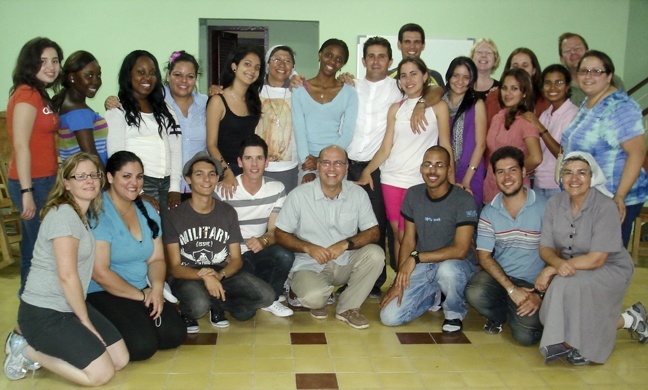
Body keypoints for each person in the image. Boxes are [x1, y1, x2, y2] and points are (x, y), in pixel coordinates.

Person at [4, 152, 129, 385]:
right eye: (80, 176)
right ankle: (25, 349)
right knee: (101, 375)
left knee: (120, 359)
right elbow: (67, 275)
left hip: (68, 306)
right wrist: (86, 322)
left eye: (93, 174)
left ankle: (56, 345)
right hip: (44, 312)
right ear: (67, 183)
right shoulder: (62, 214)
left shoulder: (81, 215)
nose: (89, 180)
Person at [535, 152, 647, 365]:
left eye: (581, 173)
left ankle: (580, 345)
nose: (574, 179)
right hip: (572, 266)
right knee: (567, 284)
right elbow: (545, 248)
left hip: (610, 267)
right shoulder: (554, 204)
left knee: (565, 284)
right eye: (568, 173)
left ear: (591, 176)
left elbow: (597, 259)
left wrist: (552, 269)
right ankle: (630, 319)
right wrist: (557, 264)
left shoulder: (605, 206)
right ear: (561, 177)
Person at [86, 151, 186, 361]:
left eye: (139, 176)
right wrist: (142, 297)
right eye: (126, 176)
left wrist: (157, 289)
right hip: (103, 291)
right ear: (110, 177)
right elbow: (100, 273)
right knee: (142, 347)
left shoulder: (147, 209)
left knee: (174, 335)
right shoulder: (99, 211)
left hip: (141, 287)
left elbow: (157, 259)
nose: (134, 183)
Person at [164, 152, 275, 332]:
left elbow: (237, 260)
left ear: (217, 178)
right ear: (188, 179)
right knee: (198, 306)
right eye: (199, 174)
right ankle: (195, 307)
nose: (206, 179)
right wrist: (205, 276)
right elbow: (175, 267)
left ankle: (216, 304)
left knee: (267, 296)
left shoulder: (227, 212)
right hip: (188, 274)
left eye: (212, 174)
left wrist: (219, 275)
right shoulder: (174, 216)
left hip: (220, 271)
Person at [275, 145, 384, 329]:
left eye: (338, 163)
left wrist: (345, 244)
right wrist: (308, 247)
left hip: (345, 260)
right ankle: (316, 296)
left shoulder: (357, 194)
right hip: (310, 263)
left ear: (347, 167)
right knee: (313, 298)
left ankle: (348, 308)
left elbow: (373, 232)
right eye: (326, 163)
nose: (332, 169)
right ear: (317, 167)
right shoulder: (299, 195)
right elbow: (280, 233)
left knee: (376, 254)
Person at [357, 56, 452, 264]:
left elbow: (445, 145)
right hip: (390, 178)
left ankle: (409, 283)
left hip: (419, 181)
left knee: (410, 235)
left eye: (414, 74)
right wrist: (367, 171)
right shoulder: (395, 108)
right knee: (397, 234)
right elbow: (385, 148)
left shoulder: (438, 107)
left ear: (425, 76)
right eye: (403, 75)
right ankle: (400, 283)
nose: (408, 80)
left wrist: (449, 178)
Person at [380, 146, 477, 333]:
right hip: (425, 266)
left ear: (449, 170)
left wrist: (416, 258)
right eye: (428, 165)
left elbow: (460, 250)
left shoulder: (463, 199)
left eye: (439, 165)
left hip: (456, 264)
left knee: (447, 270)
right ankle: (434, 295)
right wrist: (399, 281)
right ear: (421, 168)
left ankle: (454, 313)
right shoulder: (413, 194)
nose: (432, 171)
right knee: (389, 317)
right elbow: (408, 240)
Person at [561, 50, 648, 247]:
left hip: (613, 196)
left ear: (609, 76)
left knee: (606, 260)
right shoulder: (589, 102)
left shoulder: (620, 107)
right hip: (591, 196)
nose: (588, 76)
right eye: (584, 71)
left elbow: (637, 152)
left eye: (596, 71)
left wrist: (620, 196)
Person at [466, 146, 545, 345]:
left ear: (524, 172)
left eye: (512, 170)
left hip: (534, 284)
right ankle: (501, 314)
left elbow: (558, 254)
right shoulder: (489, 212)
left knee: (526, 338)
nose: (507, 177)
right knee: (474, 291)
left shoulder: (546, 207)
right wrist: (511, 290)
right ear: (494, 177)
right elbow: (484, 256)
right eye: (500, 172)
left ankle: (520, 310)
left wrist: (540, 294)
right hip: (502, 280)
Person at [6, 37, 62, 294]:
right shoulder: (27, 94)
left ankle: (31, 312)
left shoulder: (40, 94)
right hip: (32, 183)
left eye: (55, 60)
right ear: (30, 64)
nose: (51, 66)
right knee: (39, 251)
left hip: (45, 180)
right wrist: (27, 193)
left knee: (34, 246)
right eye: (43, 61)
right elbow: (20, 145)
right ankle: (30, 313)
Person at [217, 135, 294, 317]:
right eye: (248, 158)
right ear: (239, 162)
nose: (254, 164)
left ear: (267, 162)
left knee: (284, 255)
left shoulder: (276, 188)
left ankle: (271, 298)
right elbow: (215, 232)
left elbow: (275, 232)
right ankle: (252, 294)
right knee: (243, 315)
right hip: (233, 259)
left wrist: (264, 240)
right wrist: (224, 256)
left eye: (259, 158)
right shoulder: (223, 191)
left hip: (257, 254)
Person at [106, 50, 182, 211]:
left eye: (152, 73)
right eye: (140, 72)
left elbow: (176, 148)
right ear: (128, 75)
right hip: (139, 183)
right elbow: (116, 157)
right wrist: (138, 191)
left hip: (167, 184)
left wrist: (174, 187)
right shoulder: (118, 111)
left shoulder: (166, 109)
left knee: (166, 234)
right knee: (145, 232)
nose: (147, 78)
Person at [291, 39, 358, 184]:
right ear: (320, 54)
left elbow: (347, 133)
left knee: (335, 205)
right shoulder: (299, 89)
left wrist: (324, 161)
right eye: (328, 54)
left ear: (343, 64)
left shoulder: (349, 92)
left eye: (339, 59)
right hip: (306, 160)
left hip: (335, 161)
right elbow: (299, 129)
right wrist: (308, 166)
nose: (332, 61)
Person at [207, 46, 264, 198]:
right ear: (234, 66)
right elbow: (211, 144)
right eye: (247, 64)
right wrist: (227, 172)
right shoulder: (217, 100)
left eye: (257, 67)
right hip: (225, 171)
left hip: (248, 170)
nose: (252, 70)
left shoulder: (254, 101)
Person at [483, 68, 542, 204]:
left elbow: (536, 158)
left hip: (515, 190)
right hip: (491, 188)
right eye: (504, 88)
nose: (507, 93)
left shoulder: (526, 121)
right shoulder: (498, 117)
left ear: (524, 93)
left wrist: (510, 173)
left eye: (514, 88)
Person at [521, 64, 578, 199]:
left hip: (559, 185)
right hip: (540, 183)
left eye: (559, 82)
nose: (553, 88)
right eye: (548, 83)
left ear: (568, 86)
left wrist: (540, 128)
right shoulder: (545, 114)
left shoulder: (573, 114)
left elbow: (564, 154)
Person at [164, 50, 209, 200]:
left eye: (190, 76)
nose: (184, 80)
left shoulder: (206, 103)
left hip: (199, 187)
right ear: (168, 75)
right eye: (178, 75)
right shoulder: (155, 102)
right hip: (165, 187)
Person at [443, 56, 487, 206]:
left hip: (470, 172)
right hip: (443, 173)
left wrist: (466, 180)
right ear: (449, 76)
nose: (460, 81)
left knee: (468, 221)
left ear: (472, 80)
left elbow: (481, 144)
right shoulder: (439, 102)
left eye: (466, 77)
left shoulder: (477, 104)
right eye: (456, 75)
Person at [53, 50, 108, 169]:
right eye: (89, 75)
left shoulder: (69, 106)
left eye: (98, 75)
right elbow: (91, 156)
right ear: (72, 77)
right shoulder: (79, 112)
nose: (96, 81)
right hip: (91, 181)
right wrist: (107, 185)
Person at [256, 45, 299, 193]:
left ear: (293, 66)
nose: (282, 65)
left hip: (289, 167)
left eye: (287, 61)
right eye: (276, 60)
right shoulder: (254, 89)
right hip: (258, 167)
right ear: (267, 64)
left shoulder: (299, 91)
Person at [484, 48, 551, 128]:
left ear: (534, 70)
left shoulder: (544, 100)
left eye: (525, 65)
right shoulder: (494, 97)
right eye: (515, 66)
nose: (520, 69)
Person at [558, 32, 625, 106]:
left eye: (578, 48)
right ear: (562, 60)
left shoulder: (612, 80)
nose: (573, 53)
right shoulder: (559, 87)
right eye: (567, 51)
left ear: (587, 52)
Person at [388, 23, 444, 87]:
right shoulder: (389, 77)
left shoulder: (435, 77)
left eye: (417, 42)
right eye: (407, 42)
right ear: (399, 44)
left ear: (423, 45)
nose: (412, 46)